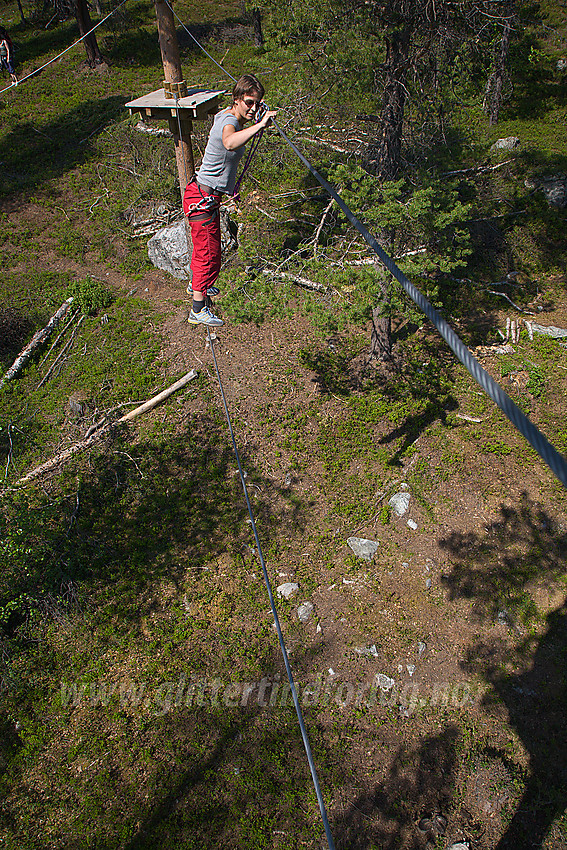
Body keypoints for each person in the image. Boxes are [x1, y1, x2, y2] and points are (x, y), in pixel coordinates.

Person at [183, 74, 276, 327]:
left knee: (211, 251)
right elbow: (228, 141)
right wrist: (259, 124)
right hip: (202, 198)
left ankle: (198, 284)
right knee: (208, 253)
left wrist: (257, 121)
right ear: (236, 99)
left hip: (204, 197)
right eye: (248, 102)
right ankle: (197, 308)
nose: (253, 108)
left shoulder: (229, 116)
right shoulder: (228, 121)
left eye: (257, 104)